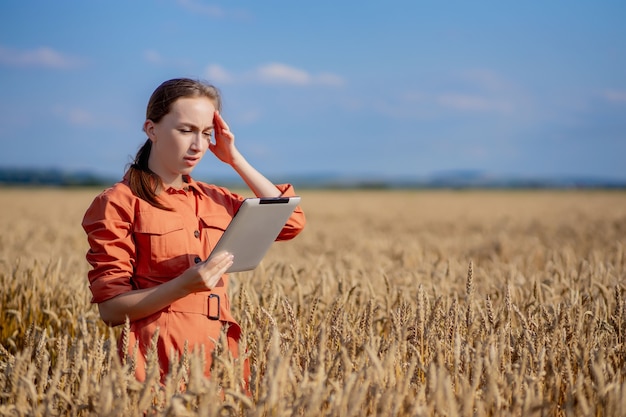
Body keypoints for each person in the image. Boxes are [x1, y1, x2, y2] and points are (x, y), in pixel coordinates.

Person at [82, 78, 306, 383]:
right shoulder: (118, 203)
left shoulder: (216, 199)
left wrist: (234, 158)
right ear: (151, 129)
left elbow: (290, 221)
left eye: (206, 133)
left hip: (222, 357)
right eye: (186, 130)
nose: (198, 145)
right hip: (157, 362)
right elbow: (110, 310)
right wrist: (183, 285)